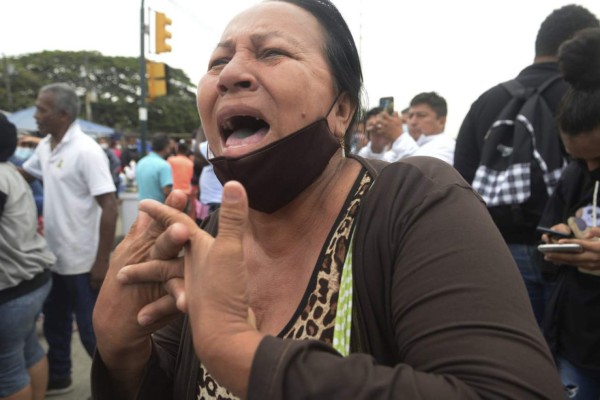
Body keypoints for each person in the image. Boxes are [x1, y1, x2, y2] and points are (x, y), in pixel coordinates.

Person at [91, 1, 564, 399]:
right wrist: (123, 349)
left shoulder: (416, 202)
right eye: (217, 62)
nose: (230, 74)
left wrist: (240, 350)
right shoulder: (212, 235)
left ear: (341, 110)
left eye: (271, 53)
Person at [454, 4, 600, 327]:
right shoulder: (581, 97)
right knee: (568, 358)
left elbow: (460, 182)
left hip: (497, 252)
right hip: (577, 260)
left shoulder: (486, 101)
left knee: (518, 355)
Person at [19, 82, 118, 395]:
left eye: (42, 109)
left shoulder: (86, 151)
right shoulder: (47, 146)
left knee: (92, 332)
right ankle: (59, 377)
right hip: (54, 257)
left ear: (62, 114)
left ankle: (115, 389)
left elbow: (110, 205)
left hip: (84, 261)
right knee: (55, 325)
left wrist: (102, 261)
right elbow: (25, 174)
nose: (36, 115)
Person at [538, 27, 600, 399]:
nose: (590, 167)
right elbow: (546, 237)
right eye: (579, 158)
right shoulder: (575, 174)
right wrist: (554, 238)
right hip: (574, 344)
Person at [0, 116, 55, 400]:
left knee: (7, 370)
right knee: (29, 349)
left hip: (12, 289)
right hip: (34, 279)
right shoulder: (10, 171)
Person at [382, 91, 454, 165]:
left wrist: (399, 137)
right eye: (410, 116)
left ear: (441, 121)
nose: (413, 122)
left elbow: (425, 172)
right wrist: (377, 147)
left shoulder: (447, 147)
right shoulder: (414, 144)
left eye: (421, 115)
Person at [134, 133, 173, 203]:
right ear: (166, 147)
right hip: (158, 209)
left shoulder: (140, 163)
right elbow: (167, 191)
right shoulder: (164, 165)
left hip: (142, 209)